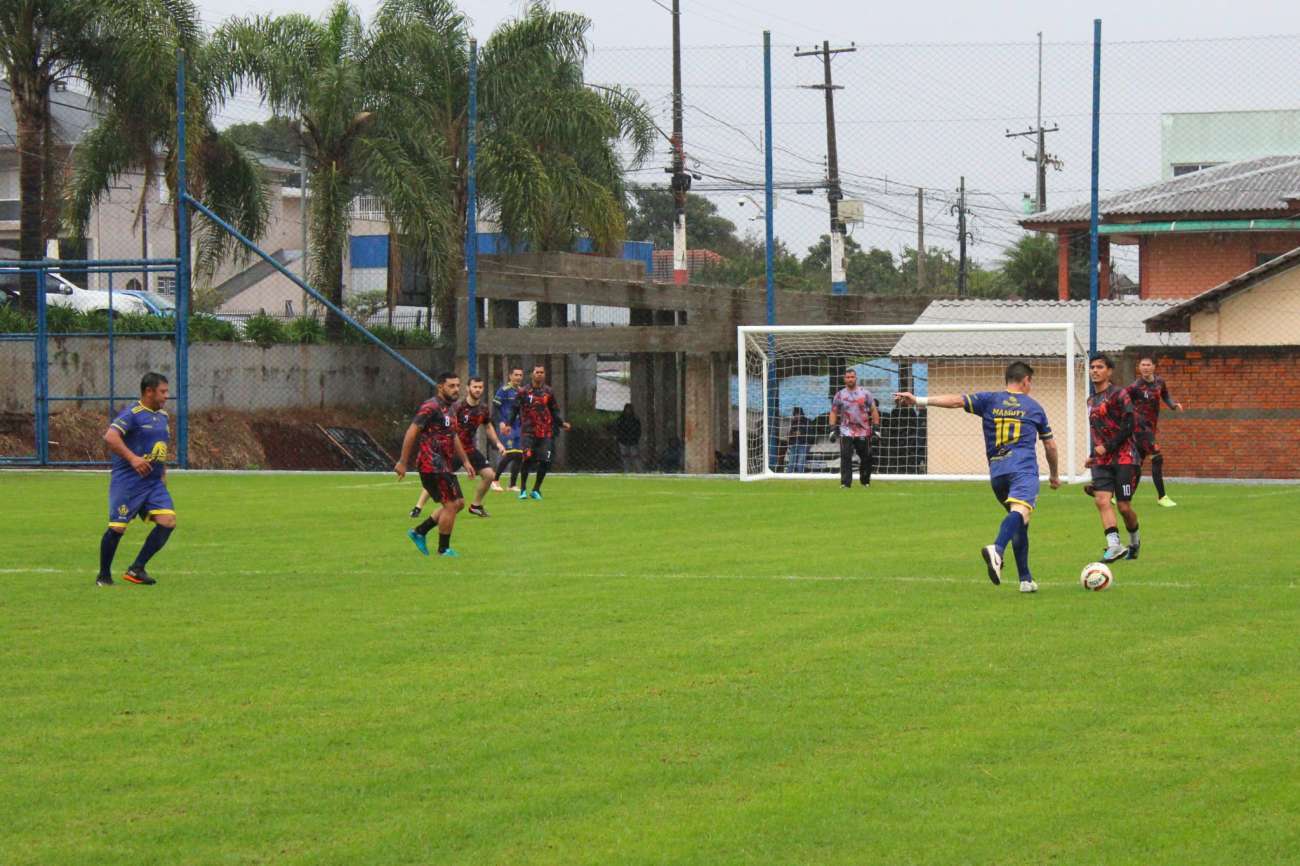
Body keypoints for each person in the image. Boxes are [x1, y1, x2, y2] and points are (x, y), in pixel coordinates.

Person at [894, 361, 1060, 593]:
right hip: (1023, 469)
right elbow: (1050, 447)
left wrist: (919, 400)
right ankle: (997, 549)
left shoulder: (990, 399)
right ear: (1025, 381)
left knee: (1019, 521)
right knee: (1021, 512)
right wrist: (1054, 475)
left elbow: (956, 401)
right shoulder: (1034, 407)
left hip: (997, 472)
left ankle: (1025, 579)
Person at [97, 372, 177, 586]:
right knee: (117, 528)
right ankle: (103, 576)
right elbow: (110, 437)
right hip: (129, 482)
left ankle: (137, 568)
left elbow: (161, 449)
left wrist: (163, 474)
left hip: (153, 483)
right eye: (163, 391)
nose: (166, 396)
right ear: (149, 391)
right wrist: (133, 458)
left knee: (168, 521)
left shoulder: (163, 417)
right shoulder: (132, 413)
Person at [394, 372, 476, 557]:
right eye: (451, 386)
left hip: (444, 464)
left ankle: (419, 531)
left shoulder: (452, 408)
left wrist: (465, 460)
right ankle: (443, 550)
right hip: (431, 464)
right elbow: (412, 431)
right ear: (440, 387)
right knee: (450, 505)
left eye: (457, 385)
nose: (456, 389)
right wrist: (402, 462)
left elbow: (453, 435)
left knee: (459, 503)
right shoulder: (430, 406)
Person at [410, 377, 504, 518]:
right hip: (453, 450)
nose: (478, 390)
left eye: (480, 387)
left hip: (469, 449)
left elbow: (488, 425)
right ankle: (418, 507)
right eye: (475, 387)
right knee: (439, 479)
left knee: (490, 475)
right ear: (467, 388)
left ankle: (476, 506)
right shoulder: (458, 406)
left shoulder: (483, 409)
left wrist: (498, 442)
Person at [1085, 354, 1142, 563]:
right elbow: (1097, 432)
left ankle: (1134, 540)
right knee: (1102, 500)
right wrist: (1093, 455)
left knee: (1124, 507)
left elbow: (1129, 426)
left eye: (1099, 367)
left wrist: (1107, 447)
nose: (1094, 370)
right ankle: (1114, 545)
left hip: (1125, 458)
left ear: (1109, 371)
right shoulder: (1091, 401)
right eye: (1092, 367)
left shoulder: (1120, 395)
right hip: (1102, 462)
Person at [1125, 354, 1183, 507]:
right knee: (1157, 457)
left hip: (1150, 428)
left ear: (1154, 367)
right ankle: (1162, 496)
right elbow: (1121, 400)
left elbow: (1165, 395)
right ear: (1139, 368)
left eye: (1148, 364)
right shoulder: (1135, 386)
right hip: (1139, 428)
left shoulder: (1160, 382)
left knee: (1136, 465)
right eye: (1142, 365)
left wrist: (1172, 405)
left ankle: (1121, 495)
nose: (1145, 367)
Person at [509, 364, 571, 500]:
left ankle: (536, 489)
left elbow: (554, 410)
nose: (539, 374)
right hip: (528, 432)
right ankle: (523, 489)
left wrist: (561, 423)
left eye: (542, 372)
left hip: (545, 432)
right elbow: (514, 409)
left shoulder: (548, 391)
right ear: (532, 374)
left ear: (544, 374)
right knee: (528, 457)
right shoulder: (523, 391)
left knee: (545, 460)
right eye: (537, 372)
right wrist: (508, 424)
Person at [830, 369, 881, 488]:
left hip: (863, 431)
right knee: (845, 457)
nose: (850, 379)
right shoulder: (840, 394)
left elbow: (873, 410)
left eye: (852, 377)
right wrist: (832, 428)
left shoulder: (865, 393)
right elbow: (833, 411)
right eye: (847, 377)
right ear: (844, 379)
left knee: (866, 457)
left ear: (856, 378)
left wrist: (876, 427)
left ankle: (865, 482)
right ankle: (845, 484)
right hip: (845, 431)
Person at [492, 367, 525, 491]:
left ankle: (512, 485)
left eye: (520, 375)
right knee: (510, 453)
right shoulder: (504, 390)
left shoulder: (522, 391)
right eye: (516, 374)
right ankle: (495, 480)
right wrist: (500, 422)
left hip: (519, 427)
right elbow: (495, 407)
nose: (518, 377)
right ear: (510, 376)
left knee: (519, 455)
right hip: (507, 426)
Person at [614, 403, 644, 472]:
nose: (628, 411)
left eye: (629, 409)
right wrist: (619, 437)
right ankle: (626, 470)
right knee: (625, 456)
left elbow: (638, 430)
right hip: (623, 440)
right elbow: (617, 429)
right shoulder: (621, 419)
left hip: (633, 440)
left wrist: (636, 438)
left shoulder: (635, 419)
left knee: (635, 456)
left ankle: (640, 470)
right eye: (627, 409)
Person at [784, 407, 811, 473]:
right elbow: (789, 434)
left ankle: (800, 477)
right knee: (791, 463)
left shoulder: (807, 421)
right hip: (794, 444)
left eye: (797, 414)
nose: (795, 416)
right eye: (795, 415)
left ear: (801, 414)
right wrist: (791, 435)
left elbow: (802, 433)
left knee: (800, 464)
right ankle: (788, 477)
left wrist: (793, 434)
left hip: (803, 444)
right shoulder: (793, 422)